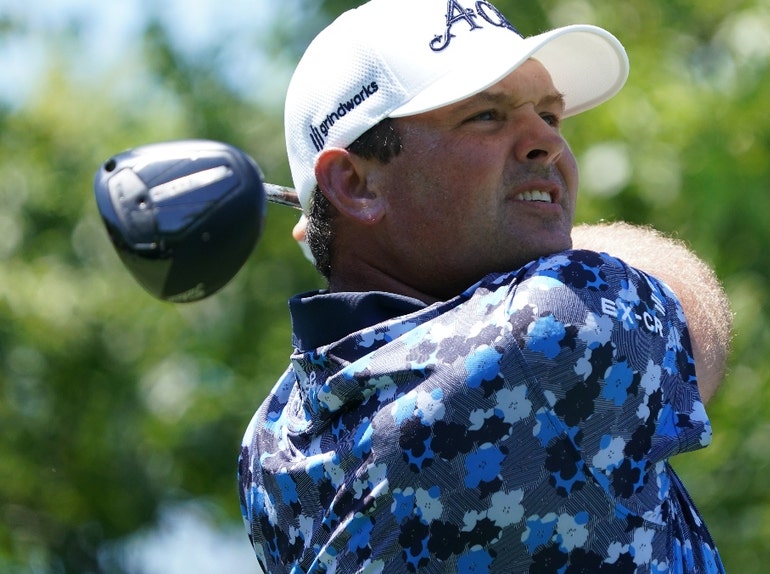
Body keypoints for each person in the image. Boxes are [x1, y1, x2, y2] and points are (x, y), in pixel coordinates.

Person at [238, 0, 732, 572]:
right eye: (487, 117)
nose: (545, 143)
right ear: (353, 182)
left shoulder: (271, 443)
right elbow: (683, 294)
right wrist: (547, 245)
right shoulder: (551, 331)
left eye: (550, 116)